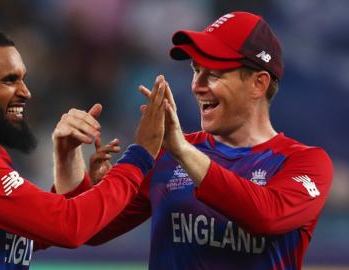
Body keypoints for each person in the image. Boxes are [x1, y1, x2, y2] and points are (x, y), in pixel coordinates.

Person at [56, 11, 333, 269]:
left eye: (213, 74)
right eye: (195, 70)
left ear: (258, 84)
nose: (197, 86)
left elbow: (266, 216)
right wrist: (70, 159)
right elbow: (88, 230)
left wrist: (182, 151)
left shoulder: (306, 163)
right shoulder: (167, 156)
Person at [0, 27, 168, 269]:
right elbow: (68, 227)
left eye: (23, 79)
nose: (25, 92)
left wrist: (66, 157)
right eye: (9, 80)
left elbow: (37, 232)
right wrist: (140, 155)